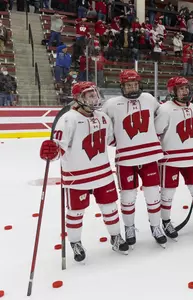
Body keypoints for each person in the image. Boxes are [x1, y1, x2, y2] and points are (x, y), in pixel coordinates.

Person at [39, 82, 129, 262]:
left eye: (95, 94)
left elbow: (110, 141)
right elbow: (59, 149)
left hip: (103, 173)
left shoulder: (103, 117)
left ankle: (115, 237)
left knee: (110, 207)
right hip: (77, 177)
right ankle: (75, 242)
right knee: (76, 212)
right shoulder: (68, 119)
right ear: (79, 99)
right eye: (89, 95)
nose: (94, 98)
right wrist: (52, 152)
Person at [101, 70, 167, 249]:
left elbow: (164, 114)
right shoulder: (111, 104)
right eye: (129, 85)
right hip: (126, 158)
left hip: (150, 155)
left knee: (153, 194)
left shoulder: (149, 98)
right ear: (122, 86)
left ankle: (156, 226)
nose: (132, 88)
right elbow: (101, 123)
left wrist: (156, 133)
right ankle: (129, 227)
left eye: (135, 84)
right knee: (128, 196)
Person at [155, 77, 193, 238]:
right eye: (180, 89)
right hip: (170, 159)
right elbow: (157, 132)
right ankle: (166, 222)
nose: (185, 91)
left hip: (191, 157)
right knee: (168, 193)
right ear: (172, 91)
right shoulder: (165, 109)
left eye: (186, 88)